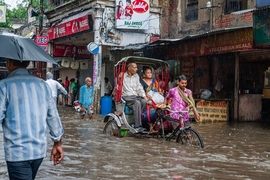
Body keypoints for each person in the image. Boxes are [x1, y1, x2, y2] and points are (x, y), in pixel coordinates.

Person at [0, 59, 64, 180]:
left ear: (8, 62)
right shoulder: (42, 85)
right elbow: (53, 116)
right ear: (27, 62)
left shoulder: (4, 86)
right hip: (38, 153)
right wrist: (57, 142)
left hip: (17, 153)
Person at [122, 62, 149, 132]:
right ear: (129, 68)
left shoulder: (136, 76)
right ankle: (137, 126)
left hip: (135, 96)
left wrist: (144, 96)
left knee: (143, 101)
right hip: (126, 96)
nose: (137, 69)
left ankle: (137, 121)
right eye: (135, 67)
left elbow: (139, 87)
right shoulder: (122, 76)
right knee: (137, 103)